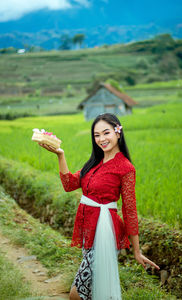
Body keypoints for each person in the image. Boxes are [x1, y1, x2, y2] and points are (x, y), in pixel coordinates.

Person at [38, 113, 160, 300]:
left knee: (76, 294)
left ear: (118, 133)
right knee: (93, 292)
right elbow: (69, 184)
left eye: (106, 133)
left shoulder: (126, 168)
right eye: (96, 135)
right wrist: (60, 155)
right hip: (89, 231)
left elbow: (129, 210)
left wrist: (136, 251)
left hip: (106, 234)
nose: (101, 139)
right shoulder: (94, 163)